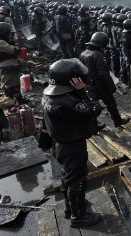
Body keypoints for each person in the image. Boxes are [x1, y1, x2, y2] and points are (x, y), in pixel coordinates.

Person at [42, 59, 103, 228]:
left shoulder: (49, 94)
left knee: (67, 176)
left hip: (60, 143)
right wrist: (84, 91)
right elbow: (94, 109)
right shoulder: (67, 103)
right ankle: (79, 216)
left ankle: (71, 207)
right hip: (71, 146)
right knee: (77, 179)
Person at [79, 32, 130, 128]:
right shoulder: (97, 55)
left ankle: (94, 126)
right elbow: (104, 74)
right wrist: (111, 86)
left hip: (88, 84)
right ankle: (117, 121)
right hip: (99, 85)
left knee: (92, 105)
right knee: (111, 103)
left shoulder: (83, 53)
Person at [0, 22, 26, 104]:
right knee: (8, 86)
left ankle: (19, 100)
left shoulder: (2, 40)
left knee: (16, 85)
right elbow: (14, 50)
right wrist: (17, 45)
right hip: (6, 66)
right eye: (8, 32)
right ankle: (9, 102)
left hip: (12, 64)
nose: (9, 34)